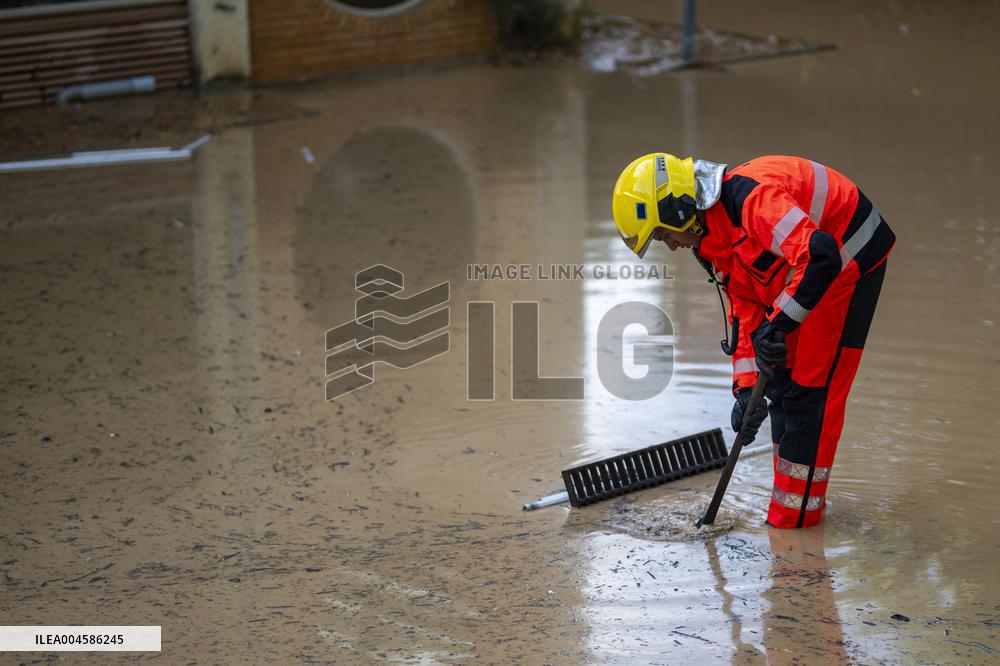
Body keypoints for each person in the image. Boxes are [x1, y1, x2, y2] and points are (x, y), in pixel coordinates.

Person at [611, 154, 895, 528]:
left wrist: (777, 325)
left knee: (811, 393)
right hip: (806, 270)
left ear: (677, 210)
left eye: (663, 235)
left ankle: (795, 529)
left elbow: (820, 256)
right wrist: (746, 392)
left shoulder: (750, 201)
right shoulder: (710, 238)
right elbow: (745, 308)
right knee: (778, 384)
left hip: (847, 256)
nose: (672, 246)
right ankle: (789, 516)